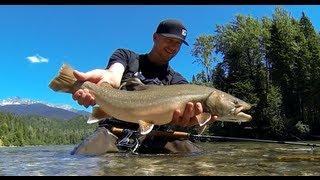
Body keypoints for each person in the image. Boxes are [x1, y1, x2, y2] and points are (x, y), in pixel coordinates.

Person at [70, 19, 217, 155]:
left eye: (178, 43)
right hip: (113, 132)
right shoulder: (126, 57)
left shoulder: (178, 82)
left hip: (156, 136)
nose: (173, 46)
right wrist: (106, 80)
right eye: (169, 40)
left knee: (198, 159)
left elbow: (184, 115)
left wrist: (189, 121)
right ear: (155, 37)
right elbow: (113, 74)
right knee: (83, 157)